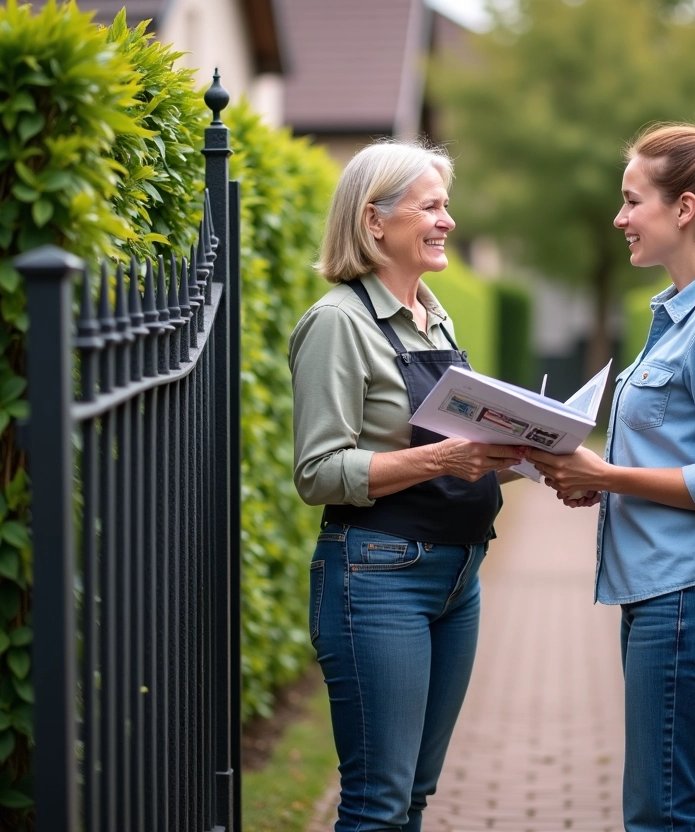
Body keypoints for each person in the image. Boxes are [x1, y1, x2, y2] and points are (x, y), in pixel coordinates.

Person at [525, 104, 695, 832]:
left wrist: (604, 477)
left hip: (689, 596)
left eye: (632, 200)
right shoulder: (682, 313)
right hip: (670, 592)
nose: (619, 218)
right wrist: (599, 480)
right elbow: (676, 456)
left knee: (665, 817)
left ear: (686, 208)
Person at [289, 140, 523, 832]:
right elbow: (318, 472)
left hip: (459, 577)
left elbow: (455, 444)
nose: (448, 219)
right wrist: (441, 462)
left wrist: (531, 455)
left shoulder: (435, 314)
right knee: (377, 803)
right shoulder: (338, 323)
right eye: (431, 206)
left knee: (415, 794)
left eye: (445, 204)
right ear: (374, 222)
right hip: (378, 576)